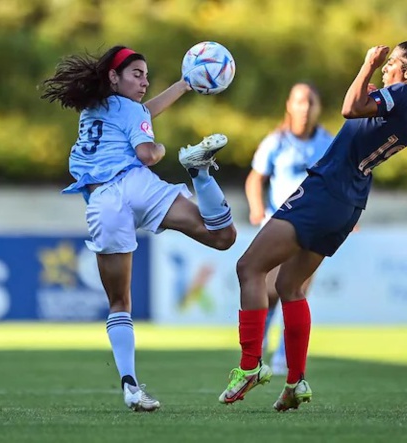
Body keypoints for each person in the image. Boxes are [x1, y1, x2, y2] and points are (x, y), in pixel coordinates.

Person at [219, 40, 407, 411]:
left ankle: (249, 366)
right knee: (290, 286)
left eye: (391, 63)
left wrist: (365, 65)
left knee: (248, 267)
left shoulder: (401, 93)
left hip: (324, 191)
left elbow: (348, 109)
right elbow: (369, 122)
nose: (385, 68)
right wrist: (374, 97)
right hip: (350, 201)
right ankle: (295, 382)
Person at [40, 45, 236, 412]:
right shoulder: (128, 109)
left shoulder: (92, 108)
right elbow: (147, 153)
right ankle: (200, 174)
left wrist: (182, 85)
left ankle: (130, 385)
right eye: (137, 74)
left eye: (146, 75)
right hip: (136, 186)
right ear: (113, 77)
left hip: (104, 203)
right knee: (223, 236)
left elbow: (141, 112)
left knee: (119, 303)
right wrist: (161, 149)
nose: (145, 81)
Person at [244, 83, 333, 375]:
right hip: (279, 225)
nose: (305, 108)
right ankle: (260, 350)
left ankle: (283, 355)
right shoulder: (277, 141)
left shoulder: (327, 142)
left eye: (310, 102)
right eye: (299, 101)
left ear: (318, 107)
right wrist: (256, 208)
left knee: (296, 289)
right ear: (289, 105)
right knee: (271, 290)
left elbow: (338, 182)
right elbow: (255, 179)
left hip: (313, 225)